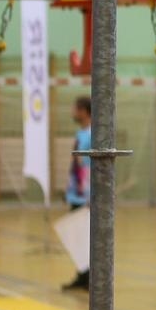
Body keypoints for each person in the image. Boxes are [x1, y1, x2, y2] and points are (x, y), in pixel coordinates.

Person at [62, 96, 91, 291]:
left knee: (86, 236)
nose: (72, 112)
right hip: (76, 192)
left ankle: (90, 276)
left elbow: (91, 166)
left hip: (86, 194)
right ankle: (82, 274)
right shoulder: (81, 133)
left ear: (83, 110)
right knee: (77, 236)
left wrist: (91, 193)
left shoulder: (91, 134)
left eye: (75, 108)